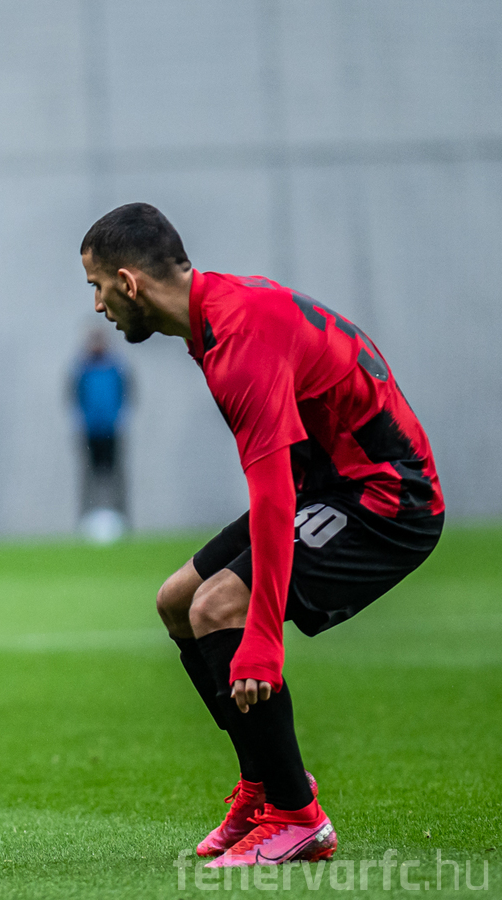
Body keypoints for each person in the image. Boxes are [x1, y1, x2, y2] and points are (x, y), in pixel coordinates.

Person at [79, 203, 443, 868]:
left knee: (218, 606)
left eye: (98, 287)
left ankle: (298, 817)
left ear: (129, 282)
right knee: (176, 601)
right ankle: (263, 785)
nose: (98, 305)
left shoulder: (237, 343)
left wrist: (263, 641)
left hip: (387, 500)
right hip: (329, 484)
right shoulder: (218, 312)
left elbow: (272, 497)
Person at [71, 326, 131, 535]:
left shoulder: (116, 367)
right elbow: (74, 396)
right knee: (89, 477)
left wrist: (119, 418)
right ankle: (86, 521)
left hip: (112, 430)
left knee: (116, 477)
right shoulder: (81, 369)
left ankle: (122, 520)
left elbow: (127, 393)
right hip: (89, 431)